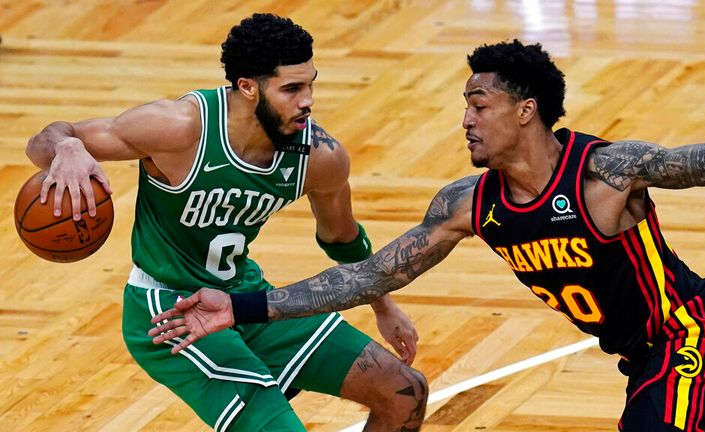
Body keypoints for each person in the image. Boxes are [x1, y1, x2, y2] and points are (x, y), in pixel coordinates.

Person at [149, 39, 705, 431]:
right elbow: (368, 276)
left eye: (480, 104)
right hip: (640, 357)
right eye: (465, 106)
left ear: (526, 110)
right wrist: (239, 306)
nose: (465, 119)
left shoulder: (608, 171)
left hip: (693, 336)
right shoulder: (468, 204)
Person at [25, 13, 428, 432]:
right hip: (168, 311)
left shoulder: (319, 157)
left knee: (404, 392)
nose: (308, 100)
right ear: (247, 87)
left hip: (244, 298)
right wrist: (67, 146)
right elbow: (46, 139)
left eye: (310, 84)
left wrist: (384, 305)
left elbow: (342, 237)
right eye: (292, 89)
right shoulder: (178, 129)